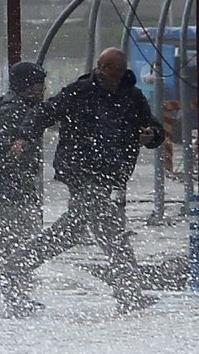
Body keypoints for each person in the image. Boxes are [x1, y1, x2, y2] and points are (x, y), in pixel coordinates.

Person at [11, 47, 164, 314]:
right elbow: (45, 112)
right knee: (111, 232)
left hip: (108, 175)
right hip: (80, 173)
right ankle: (130, 292)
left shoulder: (132, 97)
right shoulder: (80, 91)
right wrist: (24, 135)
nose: (100, 71)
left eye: (107, 68)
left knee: (74, 232)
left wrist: (152, 135)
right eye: (99, 66)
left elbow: (153, 127)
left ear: (120, 72)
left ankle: (18, 264)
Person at [0, 61, 47, 316]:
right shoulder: (14, 110)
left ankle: (18, 295)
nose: (43, 90)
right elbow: (1, 145)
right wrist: (16, 147)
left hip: (11, 191)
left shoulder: (16, 106)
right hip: (8, 193)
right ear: (27, 86)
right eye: (39, 85)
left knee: (15, 246)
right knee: (7, 247)